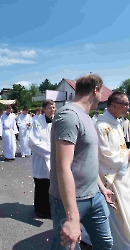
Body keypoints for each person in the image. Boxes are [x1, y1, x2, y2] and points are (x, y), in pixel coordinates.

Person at [49, 74, 115, 250]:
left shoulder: (86, 116)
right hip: (71, 200)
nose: (102, 97)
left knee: (105, 243)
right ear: (95, 90)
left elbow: (87, 158)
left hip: (94, 195)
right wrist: (72, 217)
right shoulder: (69, 116)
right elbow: (63, 167)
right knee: (65, 247)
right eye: (101, 92)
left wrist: (101, 187)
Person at [95, 91, 130, 250]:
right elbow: (105, 156)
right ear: (114, 105)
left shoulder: (117, 123)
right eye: (125, 105)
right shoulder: (101, 126)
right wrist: (127, 154)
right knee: (118, 216)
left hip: (123, 174)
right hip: (112, 178)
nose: (128, 108)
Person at [29, 100, 56, 219]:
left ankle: (50, 209)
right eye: (49, 107)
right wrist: (50, 151)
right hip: (41, 158)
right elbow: (33, 142)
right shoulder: (36, 123)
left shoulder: (57, 121)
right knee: (41, 185)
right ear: (44, 109)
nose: (52, 110)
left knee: (51, 185)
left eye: (53, 107)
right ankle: (39, 209)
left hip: (53, 159)